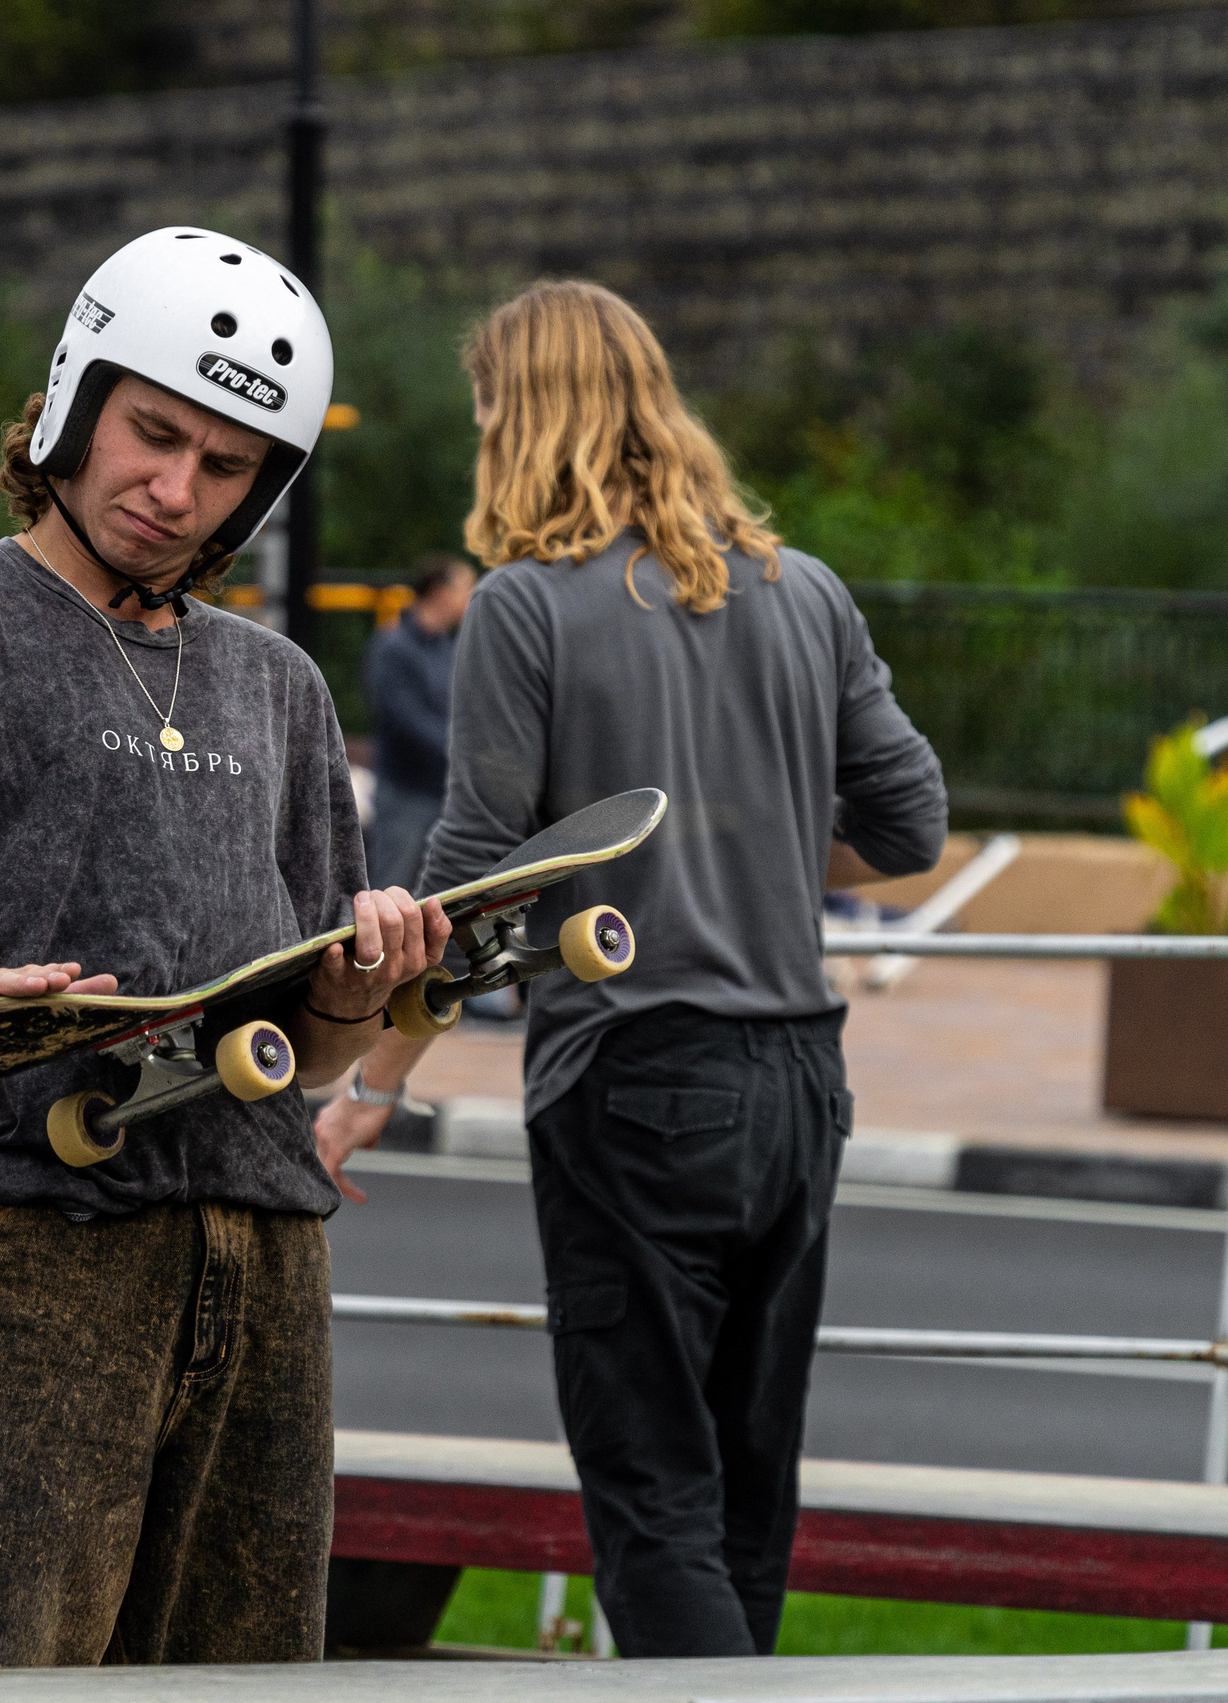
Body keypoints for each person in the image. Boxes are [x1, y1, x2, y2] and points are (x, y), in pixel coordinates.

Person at [0, 226, 451, 1671]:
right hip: (23, 1263)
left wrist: (358, 999)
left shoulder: (278, 687)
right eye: (153, 433)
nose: (177, 489)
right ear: (72, 400)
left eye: (227, 464)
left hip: (260, 1271)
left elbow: (303, 1052)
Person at [314, 280, 948, 1658]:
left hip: (636, 1078)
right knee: (743, 1496)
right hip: (799, 1082)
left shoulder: (525, 607)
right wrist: (755, 851)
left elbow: (478, 876)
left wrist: (375, 1080)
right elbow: (911, 828)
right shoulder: (806, 590)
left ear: (526, 421)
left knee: (654, 1498)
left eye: (489, 414)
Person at [361, 551, 476, 891]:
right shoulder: (393, 646)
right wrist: (462, 752)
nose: (471, 597)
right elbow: (403, 720)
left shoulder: (449, 648)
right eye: (465, 588)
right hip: (405, 794)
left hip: (443, 793)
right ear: (440, 592)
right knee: (392, 889)